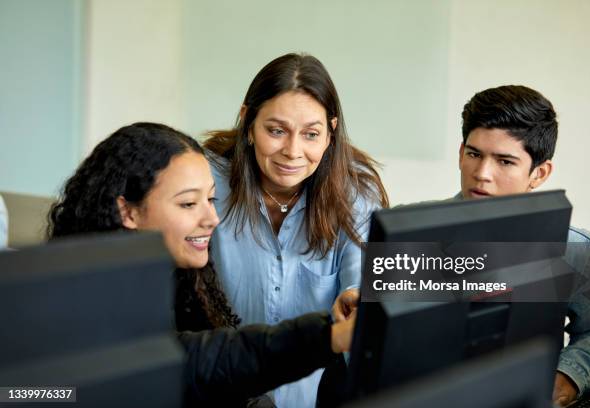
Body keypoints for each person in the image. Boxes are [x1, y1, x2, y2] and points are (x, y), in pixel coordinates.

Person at [47, 122, 356, 407]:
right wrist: (327, 335)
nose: (211, 219)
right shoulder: (84, 310)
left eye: (210, 200)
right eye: (188, 204)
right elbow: (202, 361)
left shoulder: (181, 285)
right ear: (128, 212)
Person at [203, 53, 389, 408]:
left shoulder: (356, 193)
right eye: (276, 131)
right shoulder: (205, 183)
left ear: (330, 132)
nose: (292, 151)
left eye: (311, 134)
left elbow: (360, 281)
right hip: (217, 394)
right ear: (247, 122)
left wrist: (360, 301)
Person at [458, 85, 590, 406]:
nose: (482, 174)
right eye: (474, 154)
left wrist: (569, 375)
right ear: (461, 153)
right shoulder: (407, 233)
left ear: (539, 174)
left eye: (505, 161)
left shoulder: (573, 248)